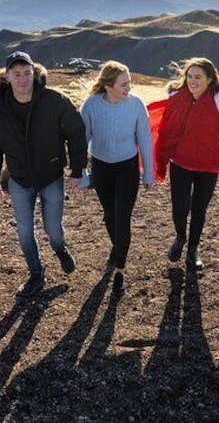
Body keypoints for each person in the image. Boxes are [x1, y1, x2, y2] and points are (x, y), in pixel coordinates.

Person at [0, 51, 87, 297]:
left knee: (53, 229)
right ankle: (36, 274)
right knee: (25, 230)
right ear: (6, 77)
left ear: (34, 73)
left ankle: (60, 249)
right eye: (16, 74)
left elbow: (76, 133)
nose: (22, 79)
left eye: (27, 73)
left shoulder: (55, 101)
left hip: (51, 176)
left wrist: (78, 169)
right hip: (18, 178)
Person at [148, 57, 219, 270]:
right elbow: (164, 123)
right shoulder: (177, 97)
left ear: (210, 79)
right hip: (181, 161)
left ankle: (193, 250)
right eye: (189, 76)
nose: (192, 81)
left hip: (208, 164)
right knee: (180, 206)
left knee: (199, 208)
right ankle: (180, 237)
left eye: (198, 77)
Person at [80, 61, 155, 295]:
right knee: (110, 216)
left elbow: (144, 138)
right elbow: (81, 141)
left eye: (129, 83)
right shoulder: (91, 105)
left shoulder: (136, 105)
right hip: (101, 168)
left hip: (127, 168)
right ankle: (117, 246)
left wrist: (149, 173)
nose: (128, 88)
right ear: (109, 86)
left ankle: (120, 268)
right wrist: (82, 173)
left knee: (123, 217)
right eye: (123, 84)